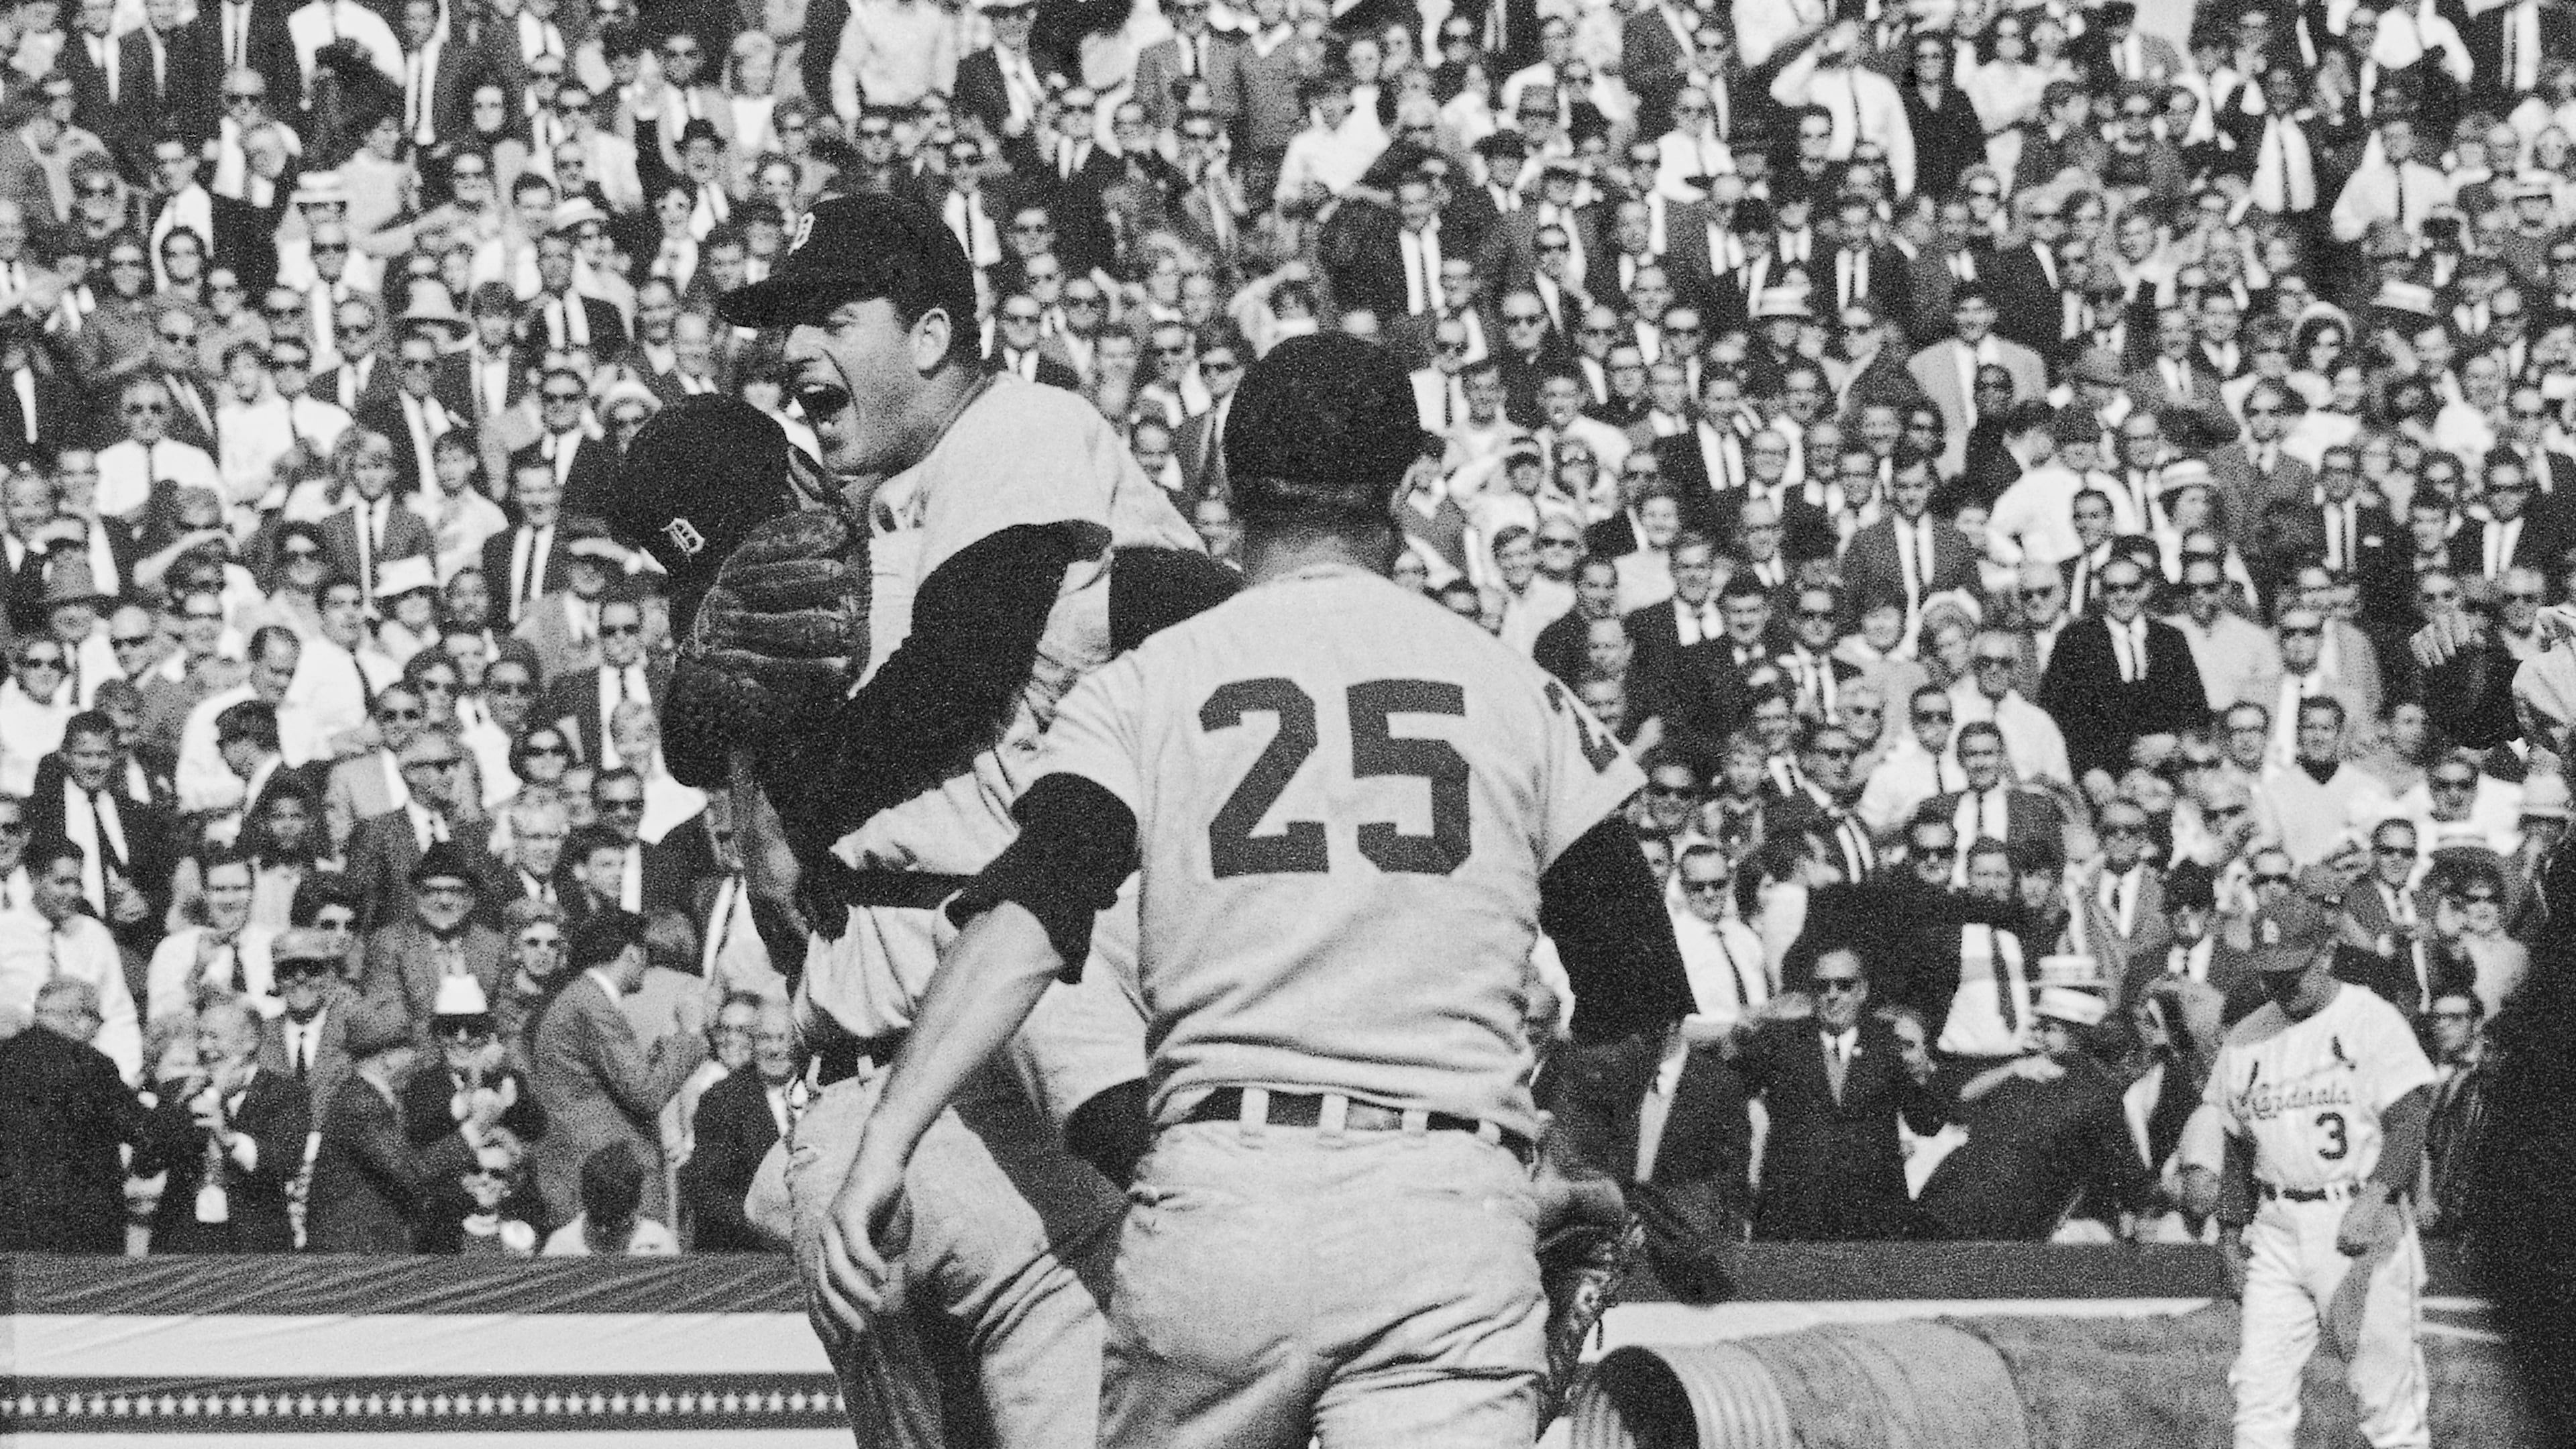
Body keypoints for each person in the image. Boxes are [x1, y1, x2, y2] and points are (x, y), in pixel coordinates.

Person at [814, 333, 1691, 1448]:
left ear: (1223, 481)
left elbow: (1026, 924)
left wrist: (887, 1138)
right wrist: (1573, 1161)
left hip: (1223, 1195)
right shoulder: (1519, 690)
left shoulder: (1147, 682)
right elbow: (1634, 981)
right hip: (1444, 1200)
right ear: (1411, 486)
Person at [2190, 892, 2437, 1449]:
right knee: (2258, 1393)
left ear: (2325, 953)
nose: (2284, 986)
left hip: (2355, 1218)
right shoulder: (2248, 1037)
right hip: (2277, 1226)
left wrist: (2375, 1198)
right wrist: (2230, 1233)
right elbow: (2235, 1143)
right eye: (2272, 974)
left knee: (2385, 1398)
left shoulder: (2369, 1016)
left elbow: (2408, 1120)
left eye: (2294, 971)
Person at [1732, 944, 1947, 1240]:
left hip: (1873, 1217)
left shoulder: (1887, 1043)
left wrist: (1922, 1073)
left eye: (1844, 985)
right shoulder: (1780, 1042)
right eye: (1822, 986)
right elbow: (1731, 1096)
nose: (1832, 995)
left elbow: (1927, 1123)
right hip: (1794, 1214)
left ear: (1863, 990)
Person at [1915, 985, 2160, 1240]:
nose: (2039, 1034)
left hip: (1983, 1213)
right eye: (2040, 1025)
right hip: (1974, 1209)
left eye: (2050, 1028)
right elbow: (1962, 1099)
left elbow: (2123, 1169)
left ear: (2077, 1034)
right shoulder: (2029, 1071)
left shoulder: (2092, 1093)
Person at [527, 908, 707, 1226]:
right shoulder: (591, 1004)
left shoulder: (583, 997)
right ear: (632, 954)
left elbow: (625, 1080)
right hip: (601, 1177)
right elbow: (646, 1093)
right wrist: (690, 1036)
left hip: (592, 1167)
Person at [305, 989, 489, 1252]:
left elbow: (411, 1140)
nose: (417, 1057)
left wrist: (458, 1109)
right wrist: (475, 1129)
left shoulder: (371, 1097)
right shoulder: (361, 1104)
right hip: (355, 1252)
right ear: (387, 1057)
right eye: (410, 1048)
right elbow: (412, 1171)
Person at [134, 994, 312, 1253]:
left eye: (215, 1036)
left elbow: (283, 1164)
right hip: (184, 1237)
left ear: (250, 1041)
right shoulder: (178, 1092)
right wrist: (206, 1097)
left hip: (253, 1239)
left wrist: (227, 1136)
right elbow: (146, 1163)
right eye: (201, 1036)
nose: (205, 1047)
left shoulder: (285, 1094)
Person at [0, 977, 151, 1252]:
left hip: (10, 1225)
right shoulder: (91, 1066)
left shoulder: (5, 1058)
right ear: (80, 1018)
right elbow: (145, 1132)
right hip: (81, 1229)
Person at [680, 995, 794, 1251]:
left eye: (782, 1038)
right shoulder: (722, 1100)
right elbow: (707, 1190)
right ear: (753, 1043)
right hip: (753, 1249)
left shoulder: (822, 1093)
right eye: (765, 1038)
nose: (774, 1049)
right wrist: (766, 1223)